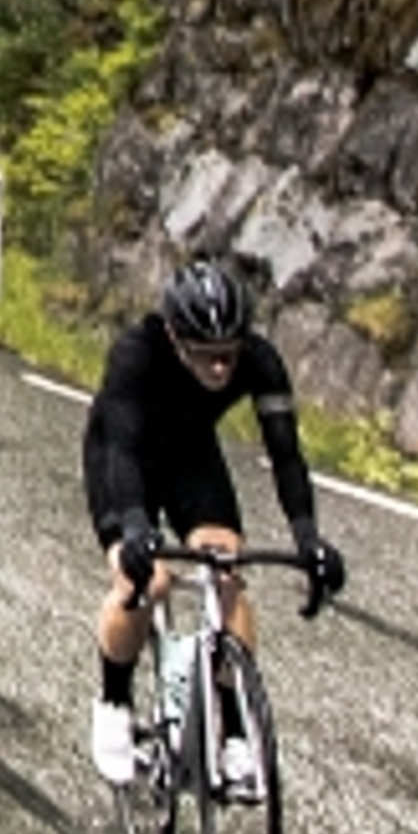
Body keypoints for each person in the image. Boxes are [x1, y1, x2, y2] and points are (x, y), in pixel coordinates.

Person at [84, 254, 341, 788]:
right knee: (145, 578)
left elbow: (286, 455)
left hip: (190, 457)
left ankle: (234, 734)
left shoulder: (260, 361)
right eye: (207, 357)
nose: (221, 370)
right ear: (175, 337)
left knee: (225, 570)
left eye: (229, 355)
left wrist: (308, 538)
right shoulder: (136, 355)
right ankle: (113, 704)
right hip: (121, 453)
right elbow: (123, 451)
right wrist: (134, 528)